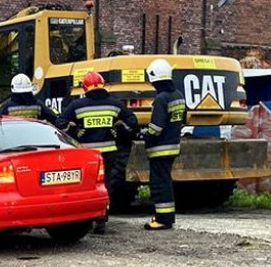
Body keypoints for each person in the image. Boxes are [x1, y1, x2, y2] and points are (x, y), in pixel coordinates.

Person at [58, 72, 138, 234]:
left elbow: (60, 123)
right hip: (108, 154)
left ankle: (85, 216)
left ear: (85, 87)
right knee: (105, 186)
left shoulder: (77, 106)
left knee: (86, 186)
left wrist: (74, 131)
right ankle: (102, 218)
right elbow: (133, 122)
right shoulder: (114, 104)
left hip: (87, 156)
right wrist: (120, 130)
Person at [142, 59, 185, 230]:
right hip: (173, 145)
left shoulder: (161, 99)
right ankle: (167, 217)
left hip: (160, 149)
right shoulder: (178, 95)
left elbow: (156, 128)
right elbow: (184, 119)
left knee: (159, 184)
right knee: (165, 182)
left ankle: (163, 219)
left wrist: (144, 135)